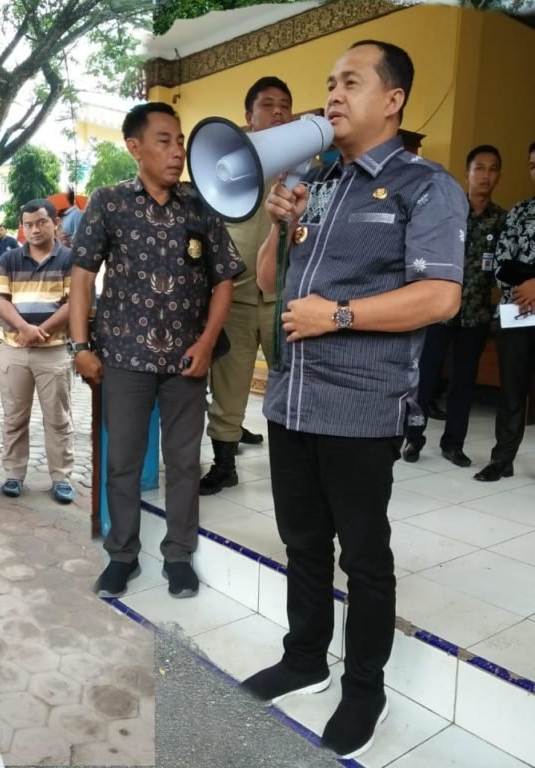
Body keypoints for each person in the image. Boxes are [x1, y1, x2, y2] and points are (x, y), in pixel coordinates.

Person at [240, 41, 466, 760]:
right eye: (330, 83)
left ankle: (365, 687)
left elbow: (441, 296)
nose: (332, 95)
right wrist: (279, 225)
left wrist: (337, 315)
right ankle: (304, 657)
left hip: (362, 408)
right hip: (292, 401)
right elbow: (270, 284)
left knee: (364, 557)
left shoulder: (424, 187)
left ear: (392, 99)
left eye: (350, 82)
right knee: (303, 542)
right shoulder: (317, 179)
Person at [69, 102, 243, 600]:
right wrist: (80, 346)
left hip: (187, 362)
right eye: (164, 141)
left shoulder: (201, 204)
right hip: (124, 359)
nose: (177, 151)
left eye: (180, 141)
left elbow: (224, 279)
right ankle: (122, 556)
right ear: (135, 147)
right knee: (122, 462)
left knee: (184, 463)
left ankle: (179, 557)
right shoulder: (109, 202)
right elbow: (82, 275)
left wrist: (206, 343)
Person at [201, 76, 294, 495]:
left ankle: (296, 464)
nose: (278, 112)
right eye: (268, 105)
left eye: (284, 105)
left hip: (284, 300)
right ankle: (224, 464)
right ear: (248, 117)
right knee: (228, 383)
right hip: (235, 297)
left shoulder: (304, 165)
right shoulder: (227, 165)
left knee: (290, 381)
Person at [404, 145, 508, 467]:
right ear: (467, 174)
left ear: (498, 176)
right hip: (436, 310)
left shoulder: (501, 220)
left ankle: (453, 444)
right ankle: (413, 438)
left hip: (475, 315)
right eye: (479, 168)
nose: (485, 176)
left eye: (492, 169)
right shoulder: (447, 211)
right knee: (424, 377)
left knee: (463, 383)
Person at [0, 198, 75, 502]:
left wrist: (41, 331)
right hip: (13, 350)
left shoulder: (70, 259)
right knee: (14, 416)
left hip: (54, 351)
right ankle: (13, 475)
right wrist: (24, 328)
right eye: (28, 224)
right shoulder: (9, 259)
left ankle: (61, 478)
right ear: (22, 227)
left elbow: (75, 302)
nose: (35, 230)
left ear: (55, 223)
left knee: (58, 418)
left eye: (41, 222)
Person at [474, 141, 535, 482]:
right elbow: (501, 264)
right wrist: (527, 286)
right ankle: (502, 459)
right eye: (533, 165)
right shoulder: (520, 211)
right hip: (517, 312)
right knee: (511, 391)